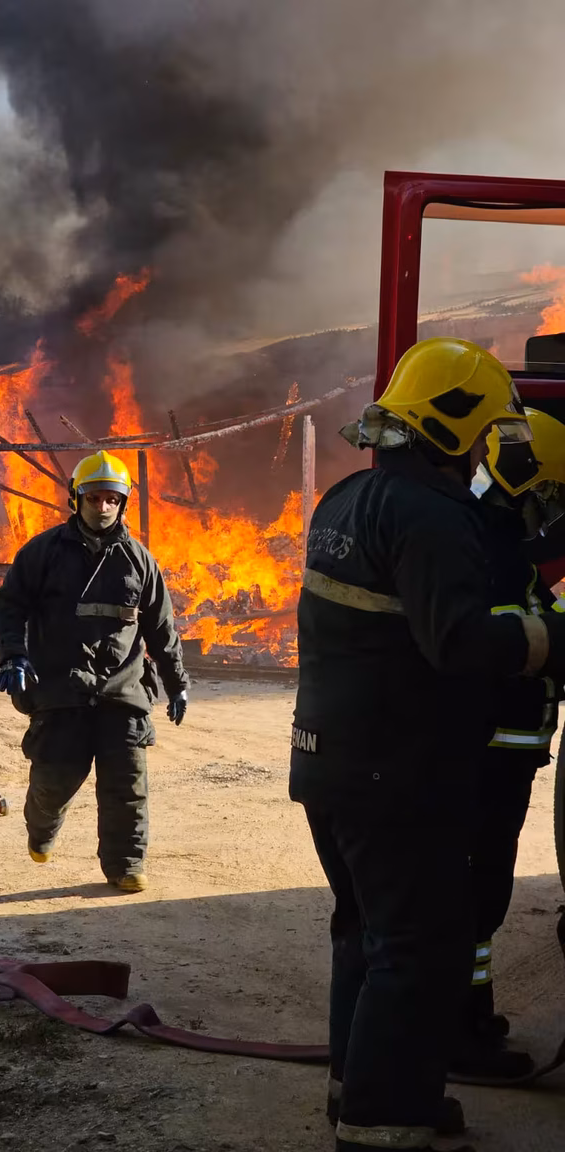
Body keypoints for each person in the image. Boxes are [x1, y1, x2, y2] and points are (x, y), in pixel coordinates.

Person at [290, 337, 565, 1152]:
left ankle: (360, 1091)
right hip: (396, 770)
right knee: (419, 948)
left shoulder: (346, 498)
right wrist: (552, 637)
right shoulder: (432, 516)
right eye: (485, 435)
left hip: (329, 761)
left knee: (364, 933)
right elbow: (460, 642)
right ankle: (382, 1124)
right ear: (455, 426)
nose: (486, 454)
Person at [0, 449, 189, 893]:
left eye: (111, 500)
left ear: (123, 503)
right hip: (61, 689)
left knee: (127, 786)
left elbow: (161, 629)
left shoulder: (140, 561)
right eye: (95, 498)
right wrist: (14, 656)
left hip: (123, 692)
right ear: (76, 499)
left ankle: (126, 865)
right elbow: (9, 606)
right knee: (54, 780)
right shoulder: (42, 553)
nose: (103, 507)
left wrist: (177, 684)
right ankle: (41, 827)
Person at [457, 407, 565, 1078]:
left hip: (503, 756)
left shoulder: (499, 544)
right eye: (553, 497)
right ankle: (458, 1038)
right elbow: (502, 639)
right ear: (532, 483)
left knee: (483, 893)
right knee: (473, 894)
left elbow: (537, 606)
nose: (552, 514)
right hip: (487, 756)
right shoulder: (491, 554)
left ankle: (472, 1017)